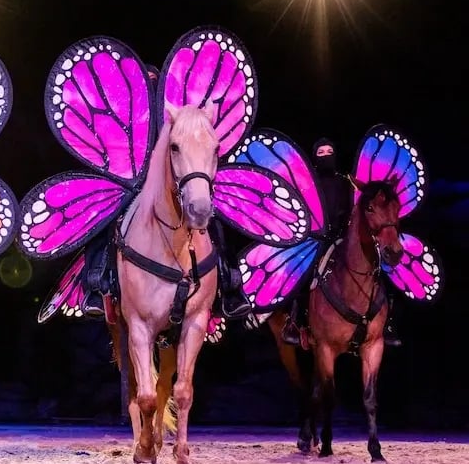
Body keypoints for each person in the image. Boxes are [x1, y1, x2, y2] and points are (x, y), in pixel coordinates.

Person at [78, 64, 252, 320]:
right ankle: (96, 284)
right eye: (145, 83)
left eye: (153, 83)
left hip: (173, 183)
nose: (148, 88)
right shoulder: (128, 115)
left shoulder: (174, 118)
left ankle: (229, 284)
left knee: (217, 221)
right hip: (133, 182)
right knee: (103, 218)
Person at [281, 138, 401, 347]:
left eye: (329, 151)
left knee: (381, 268)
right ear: (314, 157)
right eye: (321, 152)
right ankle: (296, 322)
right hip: (316, 239)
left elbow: (355, 209)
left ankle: (387, 324)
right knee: (303, 273)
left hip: (343, 236)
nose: (326, 155)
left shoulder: (345, 182)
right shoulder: (308, 184)